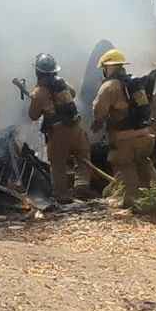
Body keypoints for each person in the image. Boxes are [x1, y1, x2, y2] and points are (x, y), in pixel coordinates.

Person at [91, 48, 156, 208]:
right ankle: (154, 197)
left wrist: (98, 122)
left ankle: (133, 203)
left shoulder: (109, 86)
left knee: (123, 166)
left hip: (123, 137)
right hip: (145, 134)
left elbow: (99, 111)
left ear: (108, 67)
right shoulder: (134, 83)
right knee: (143, 162)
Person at [27, 53, 95, 203]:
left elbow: (33, 116)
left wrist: (36, 98)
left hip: (57, 132)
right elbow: (73, 93)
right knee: (83, 156)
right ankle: (82, 185)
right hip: (75, 126)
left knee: (57, 164)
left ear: (37, 72)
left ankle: (62, 195)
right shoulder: (62, 82)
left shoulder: (38, 93)